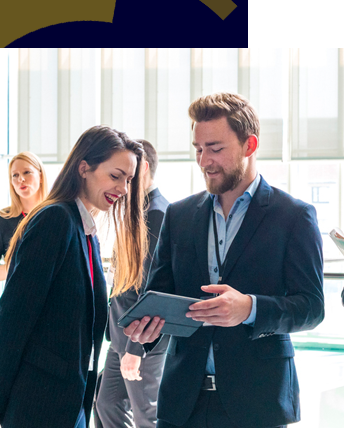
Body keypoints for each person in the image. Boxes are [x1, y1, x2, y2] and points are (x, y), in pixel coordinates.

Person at [124, 92, 325, 428]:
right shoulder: (179, 215)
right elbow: (160, 296)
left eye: (215, 149)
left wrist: (250, 308)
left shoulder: (293, 216)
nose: (204, 161)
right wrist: (148, 332)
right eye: (199, 150)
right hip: (181, 404)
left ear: (250, 145)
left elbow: (311, 307)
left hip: (257, 405)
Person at [0, 125, 149, 428]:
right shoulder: (55, 219)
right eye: (115, 175)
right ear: (84, 168)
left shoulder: (85, 230)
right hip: (40, 402)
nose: (123, 188)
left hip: (69, 399)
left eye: (129, 179)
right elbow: (13, 315)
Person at [95, 139, 169, 428]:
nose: (122, 185)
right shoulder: (135, 211)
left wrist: (136, 349)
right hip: (120, 333)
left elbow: (155, 289)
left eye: (128, 175)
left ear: (145, 168)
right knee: (107, 404)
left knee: (145, 415)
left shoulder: (158, 214)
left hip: (143, 338)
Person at [0, 151, 49, 284]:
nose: (20, 179)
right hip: (18, 298)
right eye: (15, 175)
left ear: (40, 176)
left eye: (26, 172)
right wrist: (19, 267)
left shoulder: (59, 217)